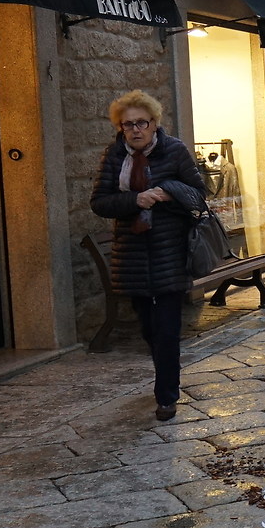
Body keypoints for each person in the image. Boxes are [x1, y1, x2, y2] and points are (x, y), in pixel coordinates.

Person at [90, 90, 206, 421]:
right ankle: (164, 374)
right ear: (120, 128)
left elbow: (199, 196)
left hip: (170, 252)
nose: (135, 130)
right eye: (128, 125)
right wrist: (134, 201)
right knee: (149, 329)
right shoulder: (113, 157)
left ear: (155, 123)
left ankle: (166, 395)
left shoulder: (175, 151)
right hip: (132, 257)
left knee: (167, 329)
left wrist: (167, 190)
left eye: (141, 122)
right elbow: (99, 202)